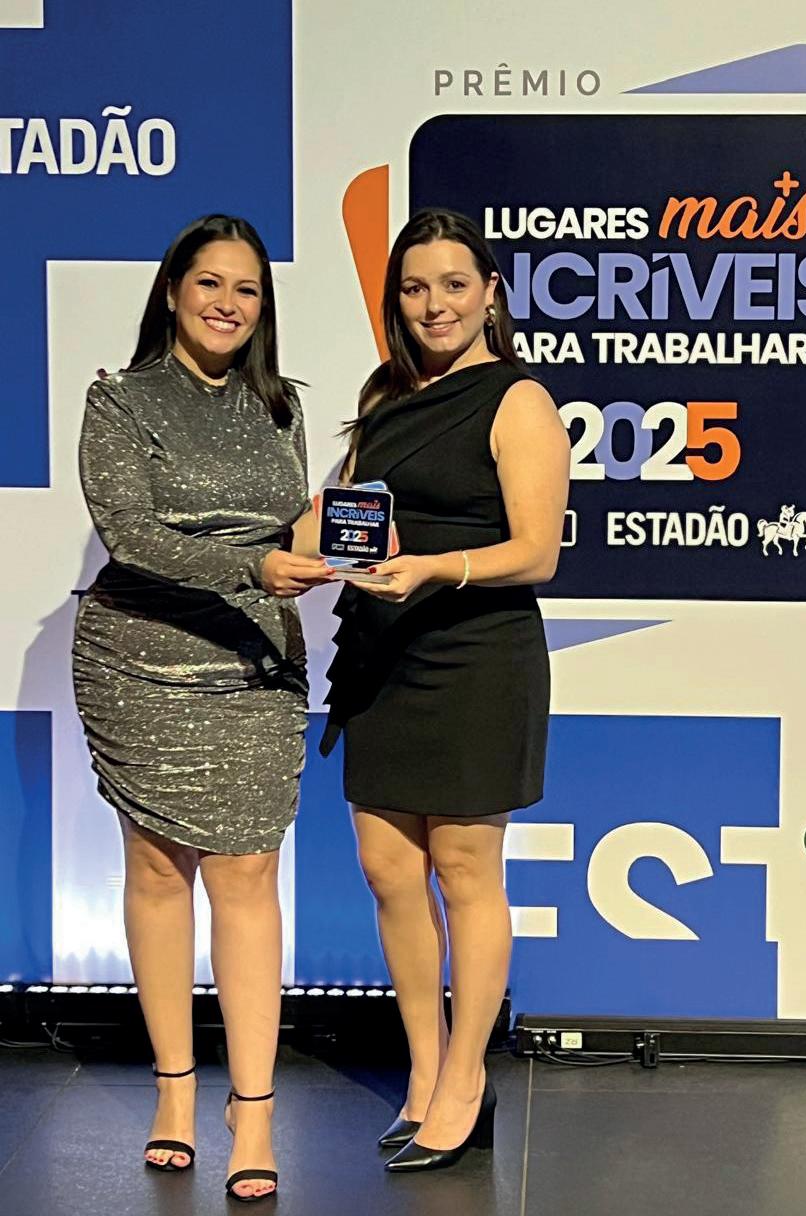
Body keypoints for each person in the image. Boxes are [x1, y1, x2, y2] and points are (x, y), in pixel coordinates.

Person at [72, 214, 331, 1202]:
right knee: (155, 866)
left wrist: (333, 535)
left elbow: (288, 524)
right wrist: (251, 568)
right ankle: (176, 1093)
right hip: (140, 658)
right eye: (211, 282)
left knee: (249, 874)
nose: (228, 303)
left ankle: (251, 1109)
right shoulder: (119, 399)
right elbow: (130, 534)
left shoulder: (282, 406)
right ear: (174, 289)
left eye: (247, 289)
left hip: (253, 663)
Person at [320, 208, 569, 1172]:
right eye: (416, 287)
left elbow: (536, 551)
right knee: (389, 871)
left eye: (455, 285)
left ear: (491, 293)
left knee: (467, 871)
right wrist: (286, 556)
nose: (435, 305)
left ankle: (468, 1077)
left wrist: (433, 568)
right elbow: (342, 513)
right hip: (382, 654)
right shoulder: (384, 396)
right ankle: (424, 1072)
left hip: (475, 657)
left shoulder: (518, 400)